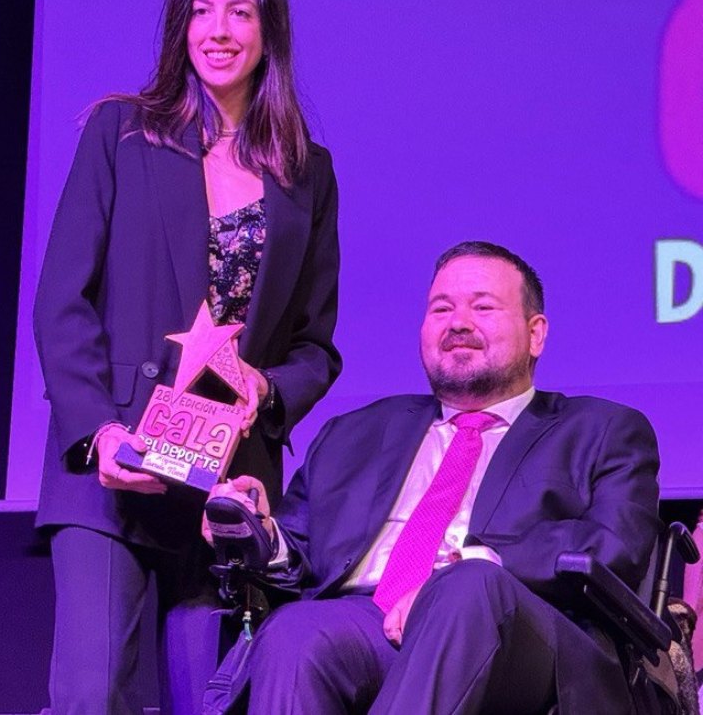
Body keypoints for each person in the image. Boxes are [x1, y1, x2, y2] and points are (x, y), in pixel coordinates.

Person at [33, 0, 341, 715]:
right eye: (202, 11)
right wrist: (99, 433)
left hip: (225, 485)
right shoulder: (121, 134)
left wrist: (266, 387)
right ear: (180, 26)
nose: (219, 29)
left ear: (269, 31)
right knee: (91, 694)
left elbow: (315, 345)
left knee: (214, 701)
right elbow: (61, 301)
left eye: (240, 12)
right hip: (113, 469)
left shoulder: (306, 172)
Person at [205, 241, 660, 714]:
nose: (458, 323)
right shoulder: (356, 432)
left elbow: (615, 546)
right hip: (369, 621)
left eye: (483, 307)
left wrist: (473, 562)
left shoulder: (601, 429)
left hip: (521, 637)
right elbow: (300, 551)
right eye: (441, 308)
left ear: (536, 334)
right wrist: (263, 532)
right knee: (298, 630)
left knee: (468, 585)